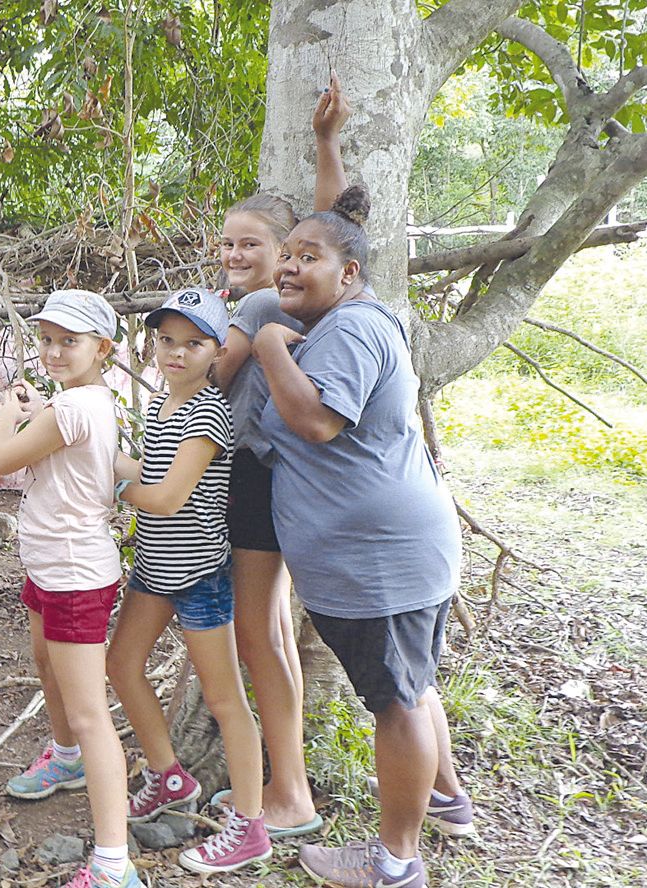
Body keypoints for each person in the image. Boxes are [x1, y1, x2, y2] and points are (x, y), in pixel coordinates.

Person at [251, 186, 470, 888]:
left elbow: (315, 420)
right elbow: (336, 221)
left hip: (380, 562)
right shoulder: (349, 319)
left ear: (348, 274)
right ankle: (445, 800)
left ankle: (395, 864)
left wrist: (262, 344)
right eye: (282, 255)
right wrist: (326, 143)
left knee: (396, 703)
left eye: (304, 258)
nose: (286, 267)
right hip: (393, 554)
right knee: (411, 685)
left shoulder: (348, 328)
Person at [203, 75, 352, 837]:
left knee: (257, 633)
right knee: (267, 632)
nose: (235, 254)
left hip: (253, 479)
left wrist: (188, 345)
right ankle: (284, 784)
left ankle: (287, 793)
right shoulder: (274, 304)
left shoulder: (260, 307)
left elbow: (208, 379)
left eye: (251, 246)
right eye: (226, 243)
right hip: (268, 478)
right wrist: (324, 142)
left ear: (285, 256)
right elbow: (333, 218)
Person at [106, 287, 270, 874]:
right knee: (121, 663)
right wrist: (96, 457)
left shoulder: (207, 413)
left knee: (226, 700)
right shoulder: (161, 405)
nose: (175, 353)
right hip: (154, 567)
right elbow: (146, 470)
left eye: (192, 343)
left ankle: (250, 825)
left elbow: (168, 498)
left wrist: (113, 490)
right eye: (166, 340)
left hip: (198, 572)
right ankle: (168, 777)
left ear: (217, 350)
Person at [0, 290, 140, 888]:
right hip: (50, 563)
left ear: (103, 347)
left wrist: (10, 411)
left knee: (89, 712)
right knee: (46, 665)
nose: (53, 350)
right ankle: (65, 758)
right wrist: (39, 407)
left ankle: (112, 863)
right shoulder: (87, 402)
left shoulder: (72, 409)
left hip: (75, 572)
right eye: (47, 339)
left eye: (68, 341)